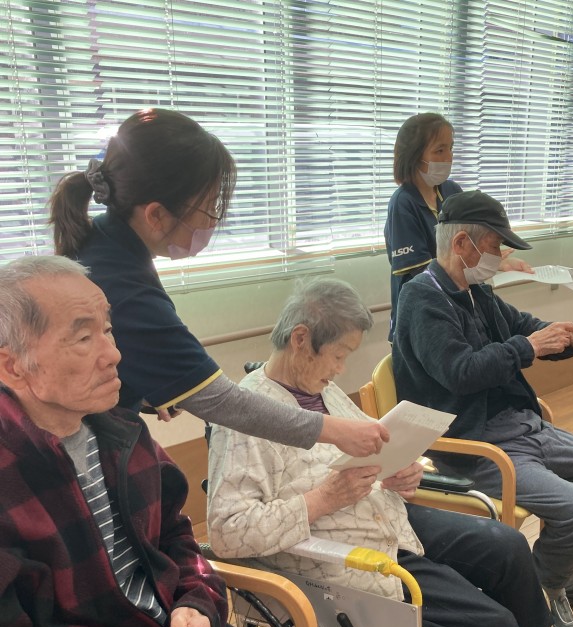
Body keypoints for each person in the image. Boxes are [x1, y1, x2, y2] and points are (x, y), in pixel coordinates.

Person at [0, 254, 434, 627]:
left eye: (108, 329)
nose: (114, 353)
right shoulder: (12, 482)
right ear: (13, 366)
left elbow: (182, 541)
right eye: (83, 338)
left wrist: (198, 604)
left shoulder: (120, 431)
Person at [208, 276, 573, 627]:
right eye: (338, 355)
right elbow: (227, 532)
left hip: (387, 516)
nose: (340, 369)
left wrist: (402, 470)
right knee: (484, 621)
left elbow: (369, 451)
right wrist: (323, 499)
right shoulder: (246, 416)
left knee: (506, 547)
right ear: (301, 339)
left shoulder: (322, 392)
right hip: (342, 552)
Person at [48, 107, 386, 460]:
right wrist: (335, 431)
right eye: (209, 209)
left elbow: (117, 352)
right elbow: (223, 402)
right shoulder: (122, 286)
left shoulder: (107, 244)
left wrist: (149, 383)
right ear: (156, 215)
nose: (213, 223)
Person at [391, 188, 573, 627]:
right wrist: (530, 347)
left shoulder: (475, 293)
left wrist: (572, 339)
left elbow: (524, 327)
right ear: (461, 244)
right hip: (473, 443)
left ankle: (568, 578)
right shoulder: (420, 299)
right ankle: (543, 592)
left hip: (521, 426)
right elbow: (460, 372)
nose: (500, 255)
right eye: (494, 246)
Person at [384, 112, 530, 340]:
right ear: (414, 155)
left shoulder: (451, 191)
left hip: (456, 308)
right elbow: (424, 273)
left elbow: (469, 247)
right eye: (439, 150)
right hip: (422, 316)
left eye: (451, 148)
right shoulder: (403, 203)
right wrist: (479, 265)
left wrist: (494, 261)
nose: (449, 157)